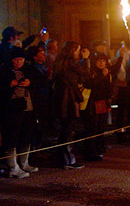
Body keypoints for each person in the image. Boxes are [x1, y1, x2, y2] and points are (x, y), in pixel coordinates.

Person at [0, 47, 43, 177]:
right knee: (11, 138)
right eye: (16, 60)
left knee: (26, 137)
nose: (18, 62)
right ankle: (13, 167)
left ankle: (24, 163)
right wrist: (9, 84)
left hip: (29, 110)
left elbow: (43, 81)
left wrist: (30, 82)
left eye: (21, 60)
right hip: (12, 111)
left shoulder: (29, 70)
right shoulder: (4, 71)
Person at [52, 41, 90, 169]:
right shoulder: (71, 62)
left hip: (61, 98)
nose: (79, 52)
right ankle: (68, 160)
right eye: (78, 50)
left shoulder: (60, 61)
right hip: (68, 98)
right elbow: (85, 73)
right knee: (68, 128)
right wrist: (85, 59)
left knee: (64, 128)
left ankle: (60, 159)